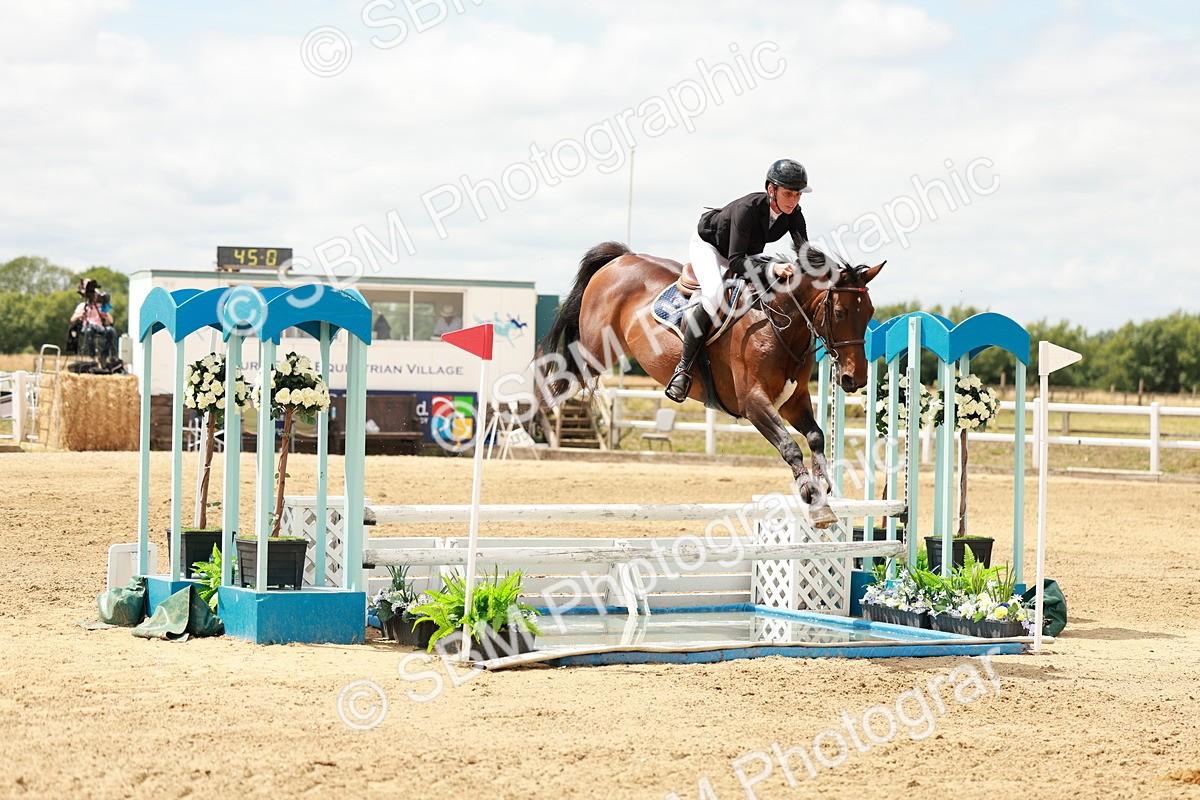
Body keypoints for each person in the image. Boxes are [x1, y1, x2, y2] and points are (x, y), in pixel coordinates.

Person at [664, 159, 809, 403]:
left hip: (745, 252)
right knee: (714, 295)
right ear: (771, 190)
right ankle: (683, 369)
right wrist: (772, 267)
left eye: (797, 195)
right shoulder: (748, 209)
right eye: (787, 193)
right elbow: (736, 262)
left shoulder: (793, 213)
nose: (793, 200)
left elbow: (804, 252)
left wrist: (825, 271)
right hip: (711, 247)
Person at [71, 283, 118, 364]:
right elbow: (72, 319)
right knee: (90, 329)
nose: (95, 297)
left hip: (99, 327)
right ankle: (91, 357)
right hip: (87, 327)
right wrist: (80, 315)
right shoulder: (83, 305)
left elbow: (111, 321)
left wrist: (106, 314)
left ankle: (105, 356)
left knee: (111, 331)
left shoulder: (101, 306)